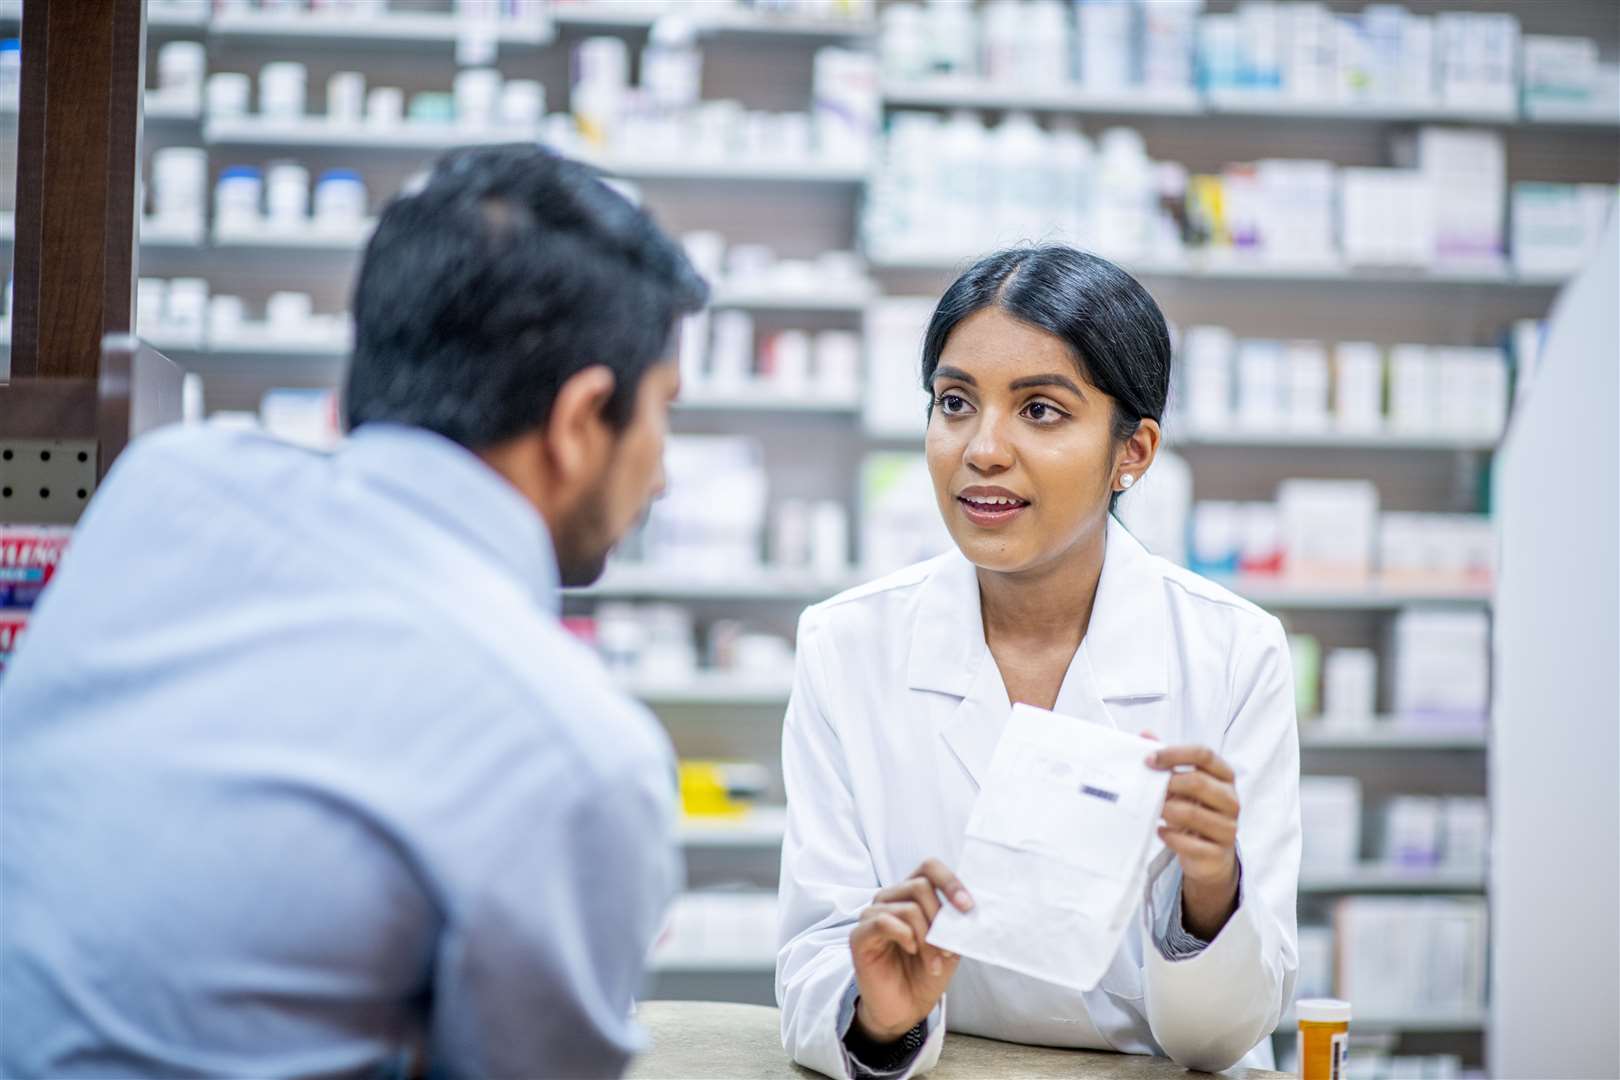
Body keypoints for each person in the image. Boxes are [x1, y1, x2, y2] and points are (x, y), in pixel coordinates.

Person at [0, 145, 707, 1078]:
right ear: (580, 421)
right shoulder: (572, 754)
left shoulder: (165, 487)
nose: (661, 473)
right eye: (662, 412)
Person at [776, 246, 1301, 1079]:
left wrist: (1211, 894)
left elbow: (1225, 1038)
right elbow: (815, 957)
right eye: (955, 402)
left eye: (1041, 411)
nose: (982, 448)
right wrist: (876, 1011)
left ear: (1133, 451)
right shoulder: (848, 646)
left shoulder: (1231, 652)